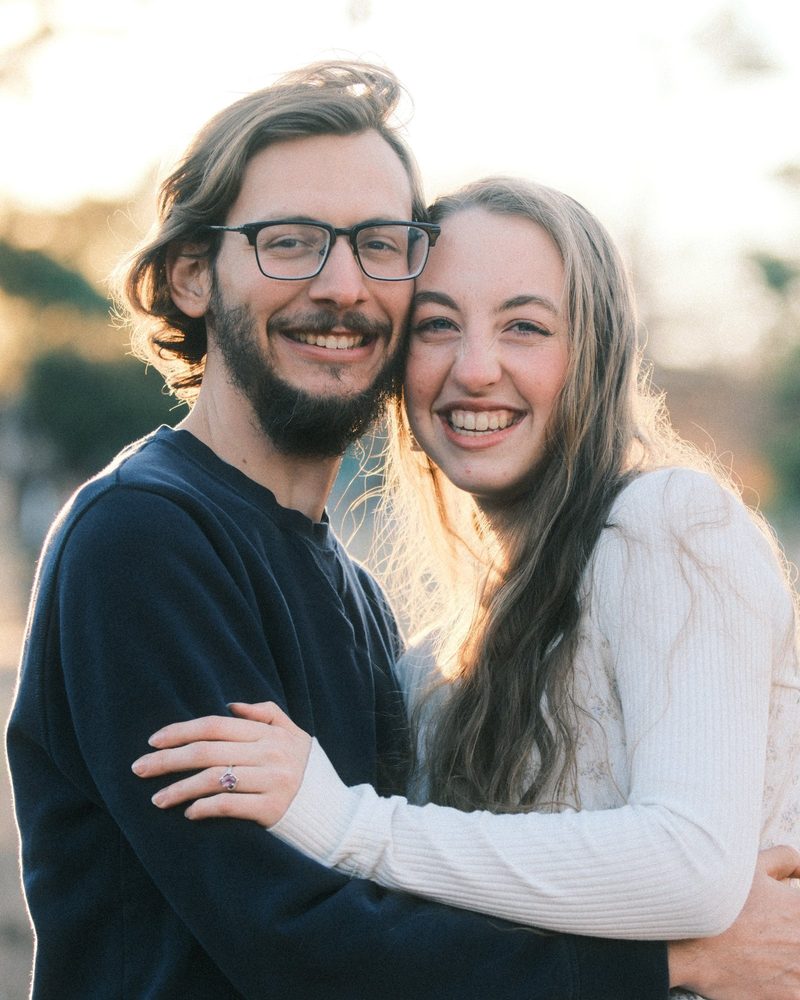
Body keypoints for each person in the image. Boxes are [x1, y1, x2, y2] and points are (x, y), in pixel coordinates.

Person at [8, 60, 679, 1000]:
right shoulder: (143, 539)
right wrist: (664, 970)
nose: (342, 285)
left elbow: (407, 878)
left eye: (378, 244)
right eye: (291, 242)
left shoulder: (352, 591)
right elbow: (294, 938)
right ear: (193, 275)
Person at [130, 178, 800, 998]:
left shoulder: (670, 522)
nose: (476, 370)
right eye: (438, 326)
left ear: (595, 350)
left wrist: (345, 823)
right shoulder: (431, 667)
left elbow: (691, 867)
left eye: (525, 326)